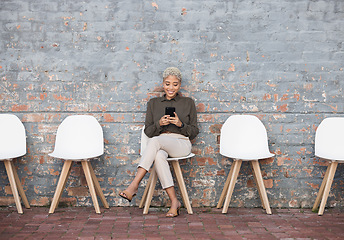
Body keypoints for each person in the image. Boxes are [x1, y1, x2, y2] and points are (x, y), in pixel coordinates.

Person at [119, 67, 199, 217]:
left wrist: (180, 124)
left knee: (156, 141)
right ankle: (174, 202)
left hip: (181, 143)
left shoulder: (188, 102)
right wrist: (159, 124)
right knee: (159, 156)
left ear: (180, 85)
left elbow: (194, 132)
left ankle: (134, 185)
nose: (171, 88)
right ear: (163, 84)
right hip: (159, 144)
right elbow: (148, 131)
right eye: (168, 83)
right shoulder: (153, 103)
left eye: (175, 84)